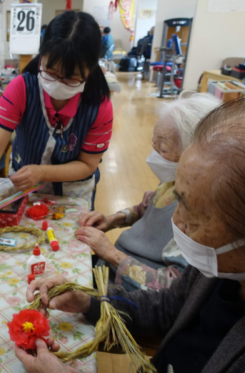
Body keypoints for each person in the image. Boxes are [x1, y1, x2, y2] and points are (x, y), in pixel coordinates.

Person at [16, 92, 245, 373]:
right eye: (177, 200)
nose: (176, 221)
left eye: (193, 213)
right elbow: (166, 307)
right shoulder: (222, 272)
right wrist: (89, 303)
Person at [0, 11, 113, 240]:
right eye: (50, 72)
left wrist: (42, 172)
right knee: (19, 247)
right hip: (23, 188)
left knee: (67, 252)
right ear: (42, 56)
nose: (58, 84)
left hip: (72, 193)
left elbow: (88, 164)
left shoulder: (99, 106)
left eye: (70, 78)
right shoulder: (21, 88)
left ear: (90, 70)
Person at [76, 92, 221, 291]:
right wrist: (112, 219)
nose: (154, 155)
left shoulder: (197, 214)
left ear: (194, 155)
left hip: (131, 294)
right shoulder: (173, 182)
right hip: (110, 268)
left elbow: (172, 286)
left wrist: (110, 252)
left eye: (163, 149)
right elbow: (148, 209)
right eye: (154, 144)